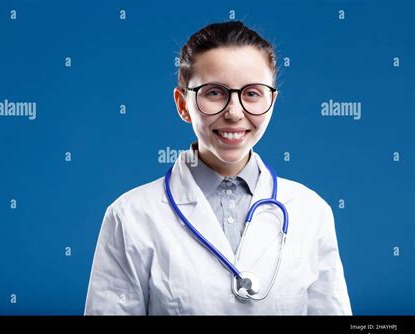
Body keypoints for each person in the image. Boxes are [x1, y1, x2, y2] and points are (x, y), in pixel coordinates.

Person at [84, 21, 352, 315]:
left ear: (272, 101)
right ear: (183, 104)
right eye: (214, 93)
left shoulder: (311, 212)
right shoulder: (130, 216)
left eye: (252, 93)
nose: (234, 113)